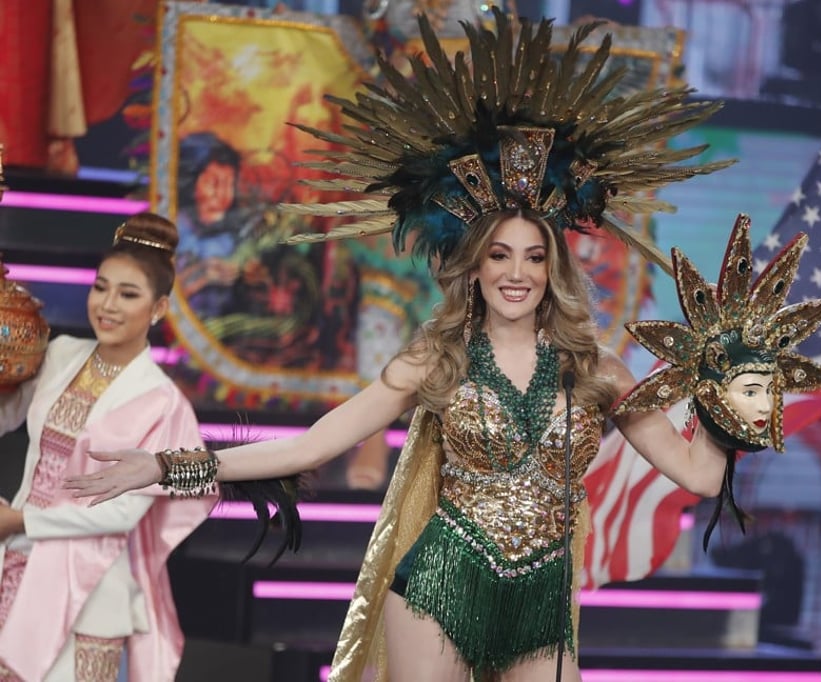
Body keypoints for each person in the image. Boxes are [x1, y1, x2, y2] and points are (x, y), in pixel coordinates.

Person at [62, 10, 756, 682]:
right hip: (440, 588)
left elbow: (698, 475)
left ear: (554, 270)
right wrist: (159, 467)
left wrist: (735, 399)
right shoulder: (437, 359)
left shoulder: (596, 371)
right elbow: (308, 449)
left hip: (542, 607)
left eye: (533, 258)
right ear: (475, 267)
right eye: (500, 256)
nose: (516, 273)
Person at [0, 212, 217, 681]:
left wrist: (19, 520)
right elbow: (7, 416)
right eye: (101, 287)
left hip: (91, 587)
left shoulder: (163, 402)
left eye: (128, 294)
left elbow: (120, 513)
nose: (108, 305)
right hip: (16, 561)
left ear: (158, 309)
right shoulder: (60, 354)